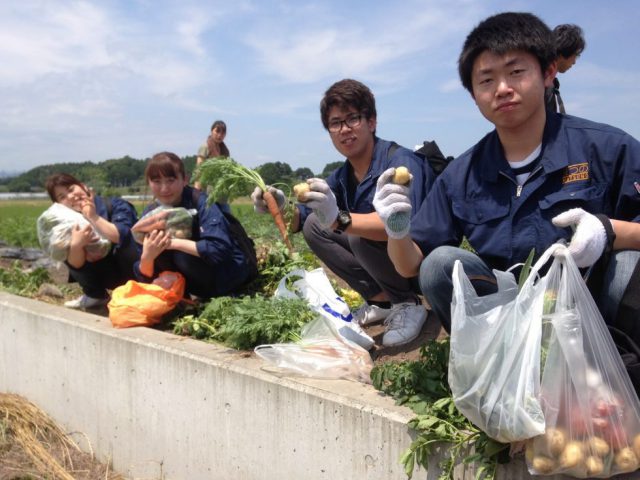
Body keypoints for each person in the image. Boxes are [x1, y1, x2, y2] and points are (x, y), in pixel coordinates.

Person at [374, 12, 640, 333]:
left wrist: (607, 231)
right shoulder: (462, 175)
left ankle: (619, 368)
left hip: (591, 311)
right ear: (474, 95)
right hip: (508, 318)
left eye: (515, 72)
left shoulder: (608, 148)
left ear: (548, 73)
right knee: (438, 265)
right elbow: (411, 265)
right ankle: (493, 367)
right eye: (486, 80)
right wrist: (397, 231)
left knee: (628, 262)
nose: (502, 89)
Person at [252, 79, 436, 347]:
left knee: (358, 232)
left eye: (353, 119)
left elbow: (403, 224)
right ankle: (381, 301)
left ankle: (407, 303)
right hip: (389, 262)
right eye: (336, 123)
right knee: (314, 225)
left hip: (421, 263)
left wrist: (342, 220)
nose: (345, 130)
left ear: (371, 122)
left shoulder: (401, 163)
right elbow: (302, 219)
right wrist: (278, 206)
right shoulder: (343, 175)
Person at [134, 151, 255, 299]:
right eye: (157, 182)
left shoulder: (201, 202)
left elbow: (219, 250)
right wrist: (147, 256)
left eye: (171, 180)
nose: (164, 189)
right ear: (148, 182)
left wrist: (172, 243)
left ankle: (206, 296)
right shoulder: (151, 213)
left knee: (181, 255)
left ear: (184, 179)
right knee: (148, 251)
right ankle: (182, 296)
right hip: (190, 278)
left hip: (227, 274)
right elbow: (143, 274)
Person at [44, 173, 139, 309]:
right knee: (66, 246)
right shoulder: (68, 223)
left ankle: (141, 292)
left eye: (71, 189)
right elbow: (75, 262)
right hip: (107, 274)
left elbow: (123, 236)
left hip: (135, 270)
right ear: (58, 205)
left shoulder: (115, 205)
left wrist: (92, 217)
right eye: (62, 197)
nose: (70, 196)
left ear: (83, 187)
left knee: (127, 241)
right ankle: (95, 295)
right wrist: (77, 245)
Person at [545, 24, 586, 114]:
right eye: (576, 55)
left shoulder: (549, 81)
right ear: (566, 50)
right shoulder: (541, 83)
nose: (574, 62)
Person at [194, 120, 230, 191]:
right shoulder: (205, 147)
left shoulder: (225, 151)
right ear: (211, 131)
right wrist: (197, 190)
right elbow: (199, 169)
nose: (219, 135)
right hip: (206, 189)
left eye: (223, 133)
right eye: (217, 131)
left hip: (220, 190)